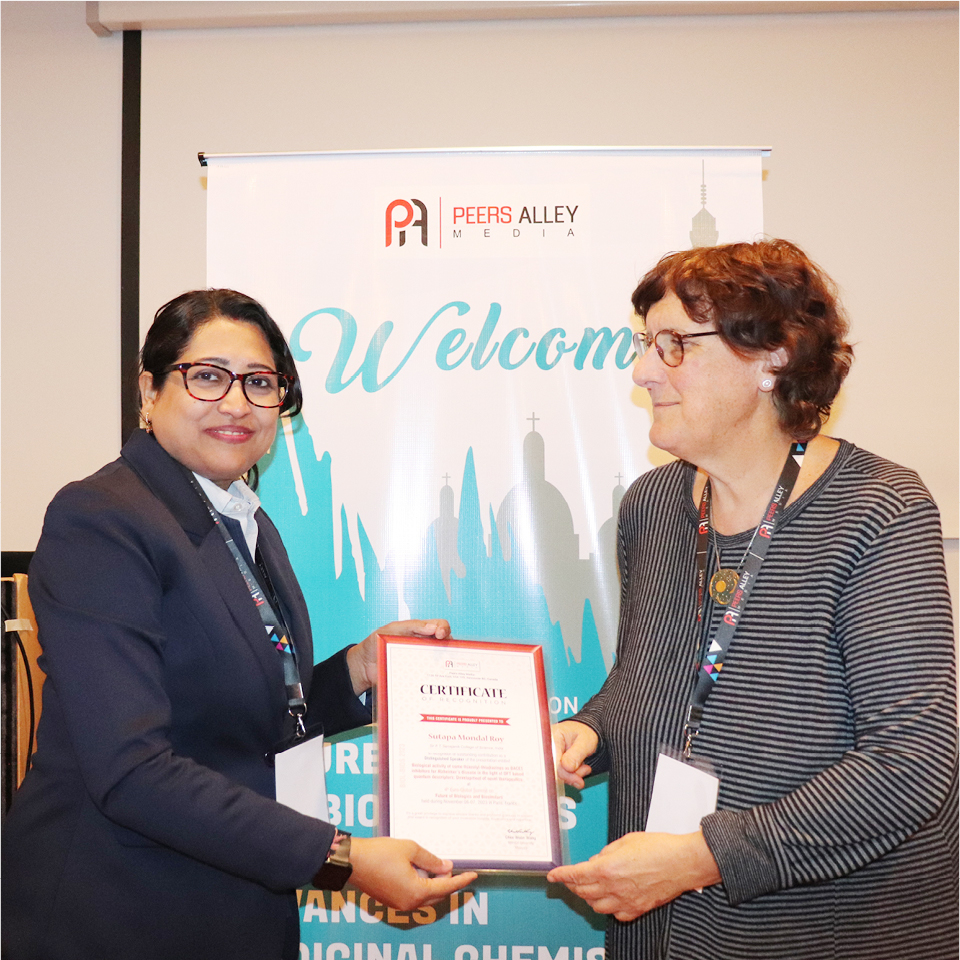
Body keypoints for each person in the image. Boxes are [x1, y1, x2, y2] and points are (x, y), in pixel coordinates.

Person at [2, 289, 477, 960]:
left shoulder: (241, 518)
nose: (235, 403)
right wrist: (341, 858)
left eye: (259, 382)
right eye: (206, 376)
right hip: (120, 912)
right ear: (149, 390)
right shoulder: (103, 520)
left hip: (232, 903)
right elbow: (131, 769)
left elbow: (248, 718)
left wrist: (356, 671)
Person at [547, 240, 958, 959]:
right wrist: (592, 729)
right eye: (646, 343)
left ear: (773, 357)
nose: (643, 371)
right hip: (659, 933)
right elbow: (654, 682)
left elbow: (911, 761)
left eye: (674, 345)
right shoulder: (652, 506)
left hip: (820, 935)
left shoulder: (878, 511)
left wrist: (702, 857)